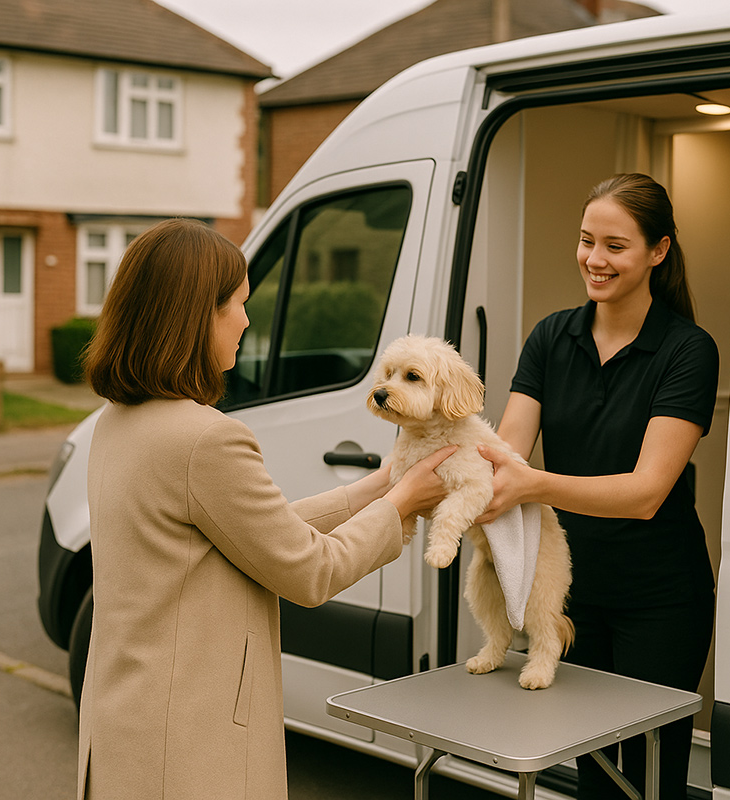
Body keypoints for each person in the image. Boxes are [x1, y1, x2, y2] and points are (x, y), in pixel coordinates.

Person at [77, 218, 454, 800]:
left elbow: (254, 531)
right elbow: (308, 570)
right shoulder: (206, 439)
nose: (248, 321)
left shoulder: (117, 421)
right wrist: (403, 502)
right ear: (196, 314)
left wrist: (380, 485)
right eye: (239, 304)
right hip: (187, 751)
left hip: (126, 727)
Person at [477, 174, 718, 799]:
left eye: (615, 245)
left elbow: (645, 493)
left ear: (658, 252)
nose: (594, 259)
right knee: (594, 774)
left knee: (647, 779)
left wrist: (531, 486)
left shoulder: (688, 350)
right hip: (567, 593)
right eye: (587, 241)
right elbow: (505, 456)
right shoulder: (551, 337)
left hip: (660, 601)